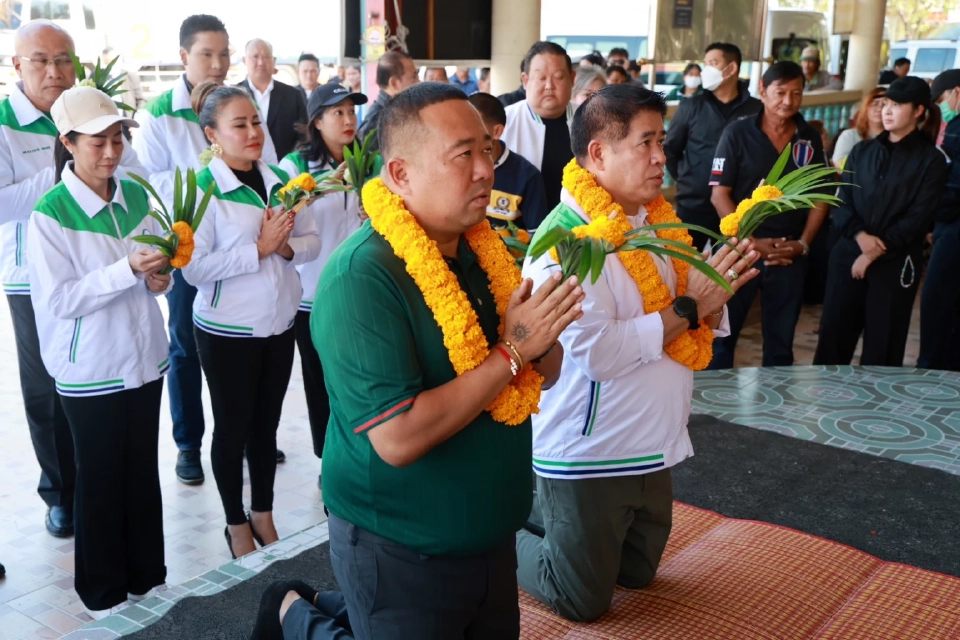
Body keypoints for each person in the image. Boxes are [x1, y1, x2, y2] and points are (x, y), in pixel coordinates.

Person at [311, 82, 584, 639]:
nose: (485, 169)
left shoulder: (488, 252)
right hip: (402, 548)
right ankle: (298, 616)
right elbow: (399, 438)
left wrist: (540, 339)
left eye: (487, 149)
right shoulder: (361, 277)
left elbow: (547, 372)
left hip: (489, 535)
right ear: (401, 174)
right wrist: (512, 352)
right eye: (464, 154)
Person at [518, 83, 758, 624]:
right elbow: (601, 354)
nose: (660, 157)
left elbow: (696, 317)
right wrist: (691, 307)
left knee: (639, 574)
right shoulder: (566, 243)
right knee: (582, 601)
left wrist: (711, 300)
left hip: (653, 446)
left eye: (661, 141)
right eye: (645, 143)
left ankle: (543, 516)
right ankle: (493, 534)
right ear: (598, 154)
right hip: (590, 456)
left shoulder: (657, 222)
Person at [28, 86, 169, 619]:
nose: (110, 153)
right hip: (90, 370)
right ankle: (104, 593)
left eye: (116, 139)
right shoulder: (51, 213)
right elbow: (61, 299)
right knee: (101, 479)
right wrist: (126, 270)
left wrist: (159, 278)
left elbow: (157, 263)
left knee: (140, 474)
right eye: (96, 143)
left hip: (144, 360)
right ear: (66, 141)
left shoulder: (134, 192)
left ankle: (148, 578)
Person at [134, 14, 276, 484]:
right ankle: (189, 444)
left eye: (223, 54)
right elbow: (150, 183)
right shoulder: (159, 113)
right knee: (186, 348)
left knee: (240, 355)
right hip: (190, 246)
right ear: (183, 56)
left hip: (246, 250)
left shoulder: (241, 101)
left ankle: (244, 437)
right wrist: (209, 168)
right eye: (206, 54)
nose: (217, 64)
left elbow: (267, 163)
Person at [182, 83, 321, 559]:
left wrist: (284, 247)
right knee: (233, 426)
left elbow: (313, 242)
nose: (253, 132)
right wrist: (256, 250)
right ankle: (235, 521)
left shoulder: (282, 176)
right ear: (212, 136)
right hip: (227, 330)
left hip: (279, 324)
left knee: (267, 425)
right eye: (239, 125)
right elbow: (193, 268)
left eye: (256, 122)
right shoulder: (202, 189)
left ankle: (263, 512)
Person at [0, 19, 113, 538]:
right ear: (17, 66)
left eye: (64, 59)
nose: (54, 70)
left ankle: (96, 484)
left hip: (98, 268)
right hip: (31, 278)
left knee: (95, 376)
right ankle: (60, 492)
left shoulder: (89, 109)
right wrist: (66, 176)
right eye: (41, 61)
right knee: (45, 386)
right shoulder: (4, 122)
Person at [815, 77, 947, 367]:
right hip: (848, 254)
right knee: (833, 338)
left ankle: (874, 411)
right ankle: (824, 405)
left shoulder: (931, 161)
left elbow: (918, 218)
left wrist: (874, 252)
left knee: (883, 345)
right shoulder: (862, 151)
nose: (887, 110)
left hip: (894, 262)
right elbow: (844, 200)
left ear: (918, 111)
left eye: (897, 105)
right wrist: (861, 240)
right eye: (885, 103)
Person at [708, 61, 829, 369]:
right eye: (780, 92)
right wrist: (749, 241)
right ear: (762, 91)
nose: (788, 101)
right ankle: (713, 413)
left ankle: (776, 413)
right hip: (739, 251)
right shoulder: (737, 132)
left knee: (780, 346)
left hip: (789, 253)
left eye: (796, 93)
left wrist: (802, 244)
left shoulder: (809, 137)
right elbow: (719, 193)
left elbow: (820, 199)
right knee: (721, 340)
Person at [278, 82, 367, 488]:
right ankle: (327, 457)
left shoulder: (369, 162)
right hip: (311, 295)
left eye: (352, 111)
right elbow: (283, 212)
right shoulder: (295, 165)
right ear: (316, 121)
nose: (349, 120)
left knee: (357, 374)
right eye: (338, 113)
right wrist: (328, 181)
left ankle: (359, 451)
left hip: (359, 288)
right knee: (318, 380)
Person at [663, 42, 761, 251]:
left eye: (713, 63)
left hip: (738, 207)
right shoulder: (691, 106)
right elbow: (670, 149)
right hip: (694, 204)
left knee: (733, 266)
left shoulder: (756, 110)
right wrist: (687, 177)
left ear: (731, 68)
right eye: (705, 64)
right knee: (684, 265)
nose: (706, 70)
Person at [502, 41, 575, 211]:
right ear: (525, 80)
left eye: (558, 77)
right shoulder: (505, 122)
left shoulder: (590, 119)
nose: (549, 86)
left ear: (572, 79)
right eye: (541, 78)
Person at [920, 70, 960, 371]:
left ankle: (932, 375)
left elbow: (952, 189)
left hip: (953, 229)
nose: (942, 107)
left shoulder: (958, 128)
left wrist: (931, 220)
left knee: (937, 306)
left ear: (956, 93)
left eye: (943, 99)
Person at [468, 92, 549, 230]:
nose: (464, 133)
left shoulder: (527, 176)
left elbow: (537, 239)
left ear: (497, 131)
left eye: (471, 126)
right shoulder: (455, 166)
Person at [240, 39, 307, 161]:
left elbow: (303, 136)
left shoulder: (293, 95)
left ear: (274, 61)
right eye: (255, 57)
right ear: (244, 60)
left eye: (266, 57)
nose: (261, 62)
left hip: (285, 170)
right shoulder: (233, 95)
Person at [356, 50, 418, 150]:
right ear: (394, 83)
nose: (419, 82)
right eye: (414, 77)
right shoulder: (375, 126)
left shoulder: (400, 111)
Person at [832, 87, 886, 168]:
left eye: (885, 105)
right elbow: (840, 167)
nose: (879, 109)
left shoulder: (896, 137)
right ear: (866, 108)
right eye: (875, 104)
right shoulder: (850, 136)